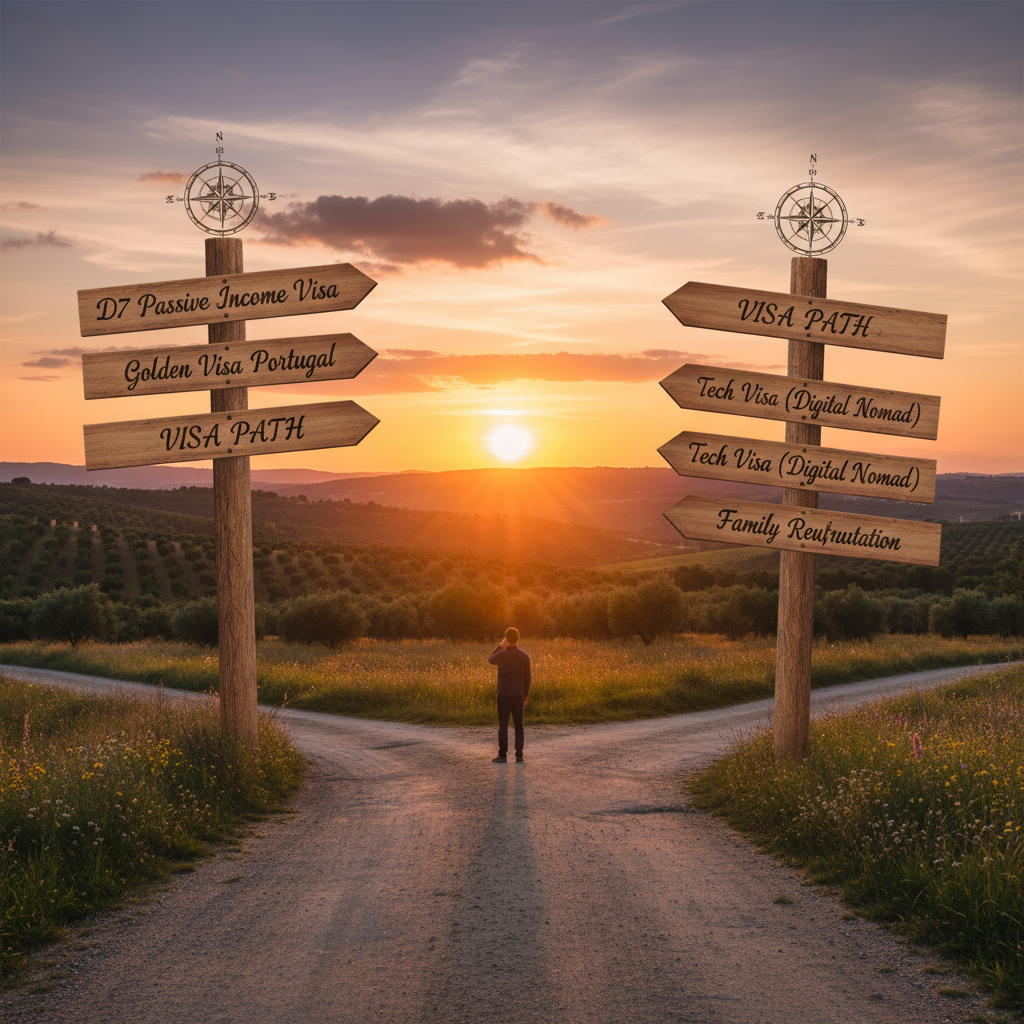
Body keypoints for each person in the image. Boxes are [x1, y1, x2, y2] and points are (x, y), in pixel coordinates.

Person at [488, 627, 530, 764]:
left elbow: (490, 659)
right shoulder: (524, 656)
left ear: (506, 639)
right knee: (518, 726)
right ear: (518, 639)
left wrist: (500, 646)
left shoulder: (501, 654)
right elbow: (528, 678)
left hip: (503, 694)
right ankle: (519, 755)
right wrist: (526, 694)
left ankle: (502, 755)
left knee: (503, 726)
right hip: (518, 694)